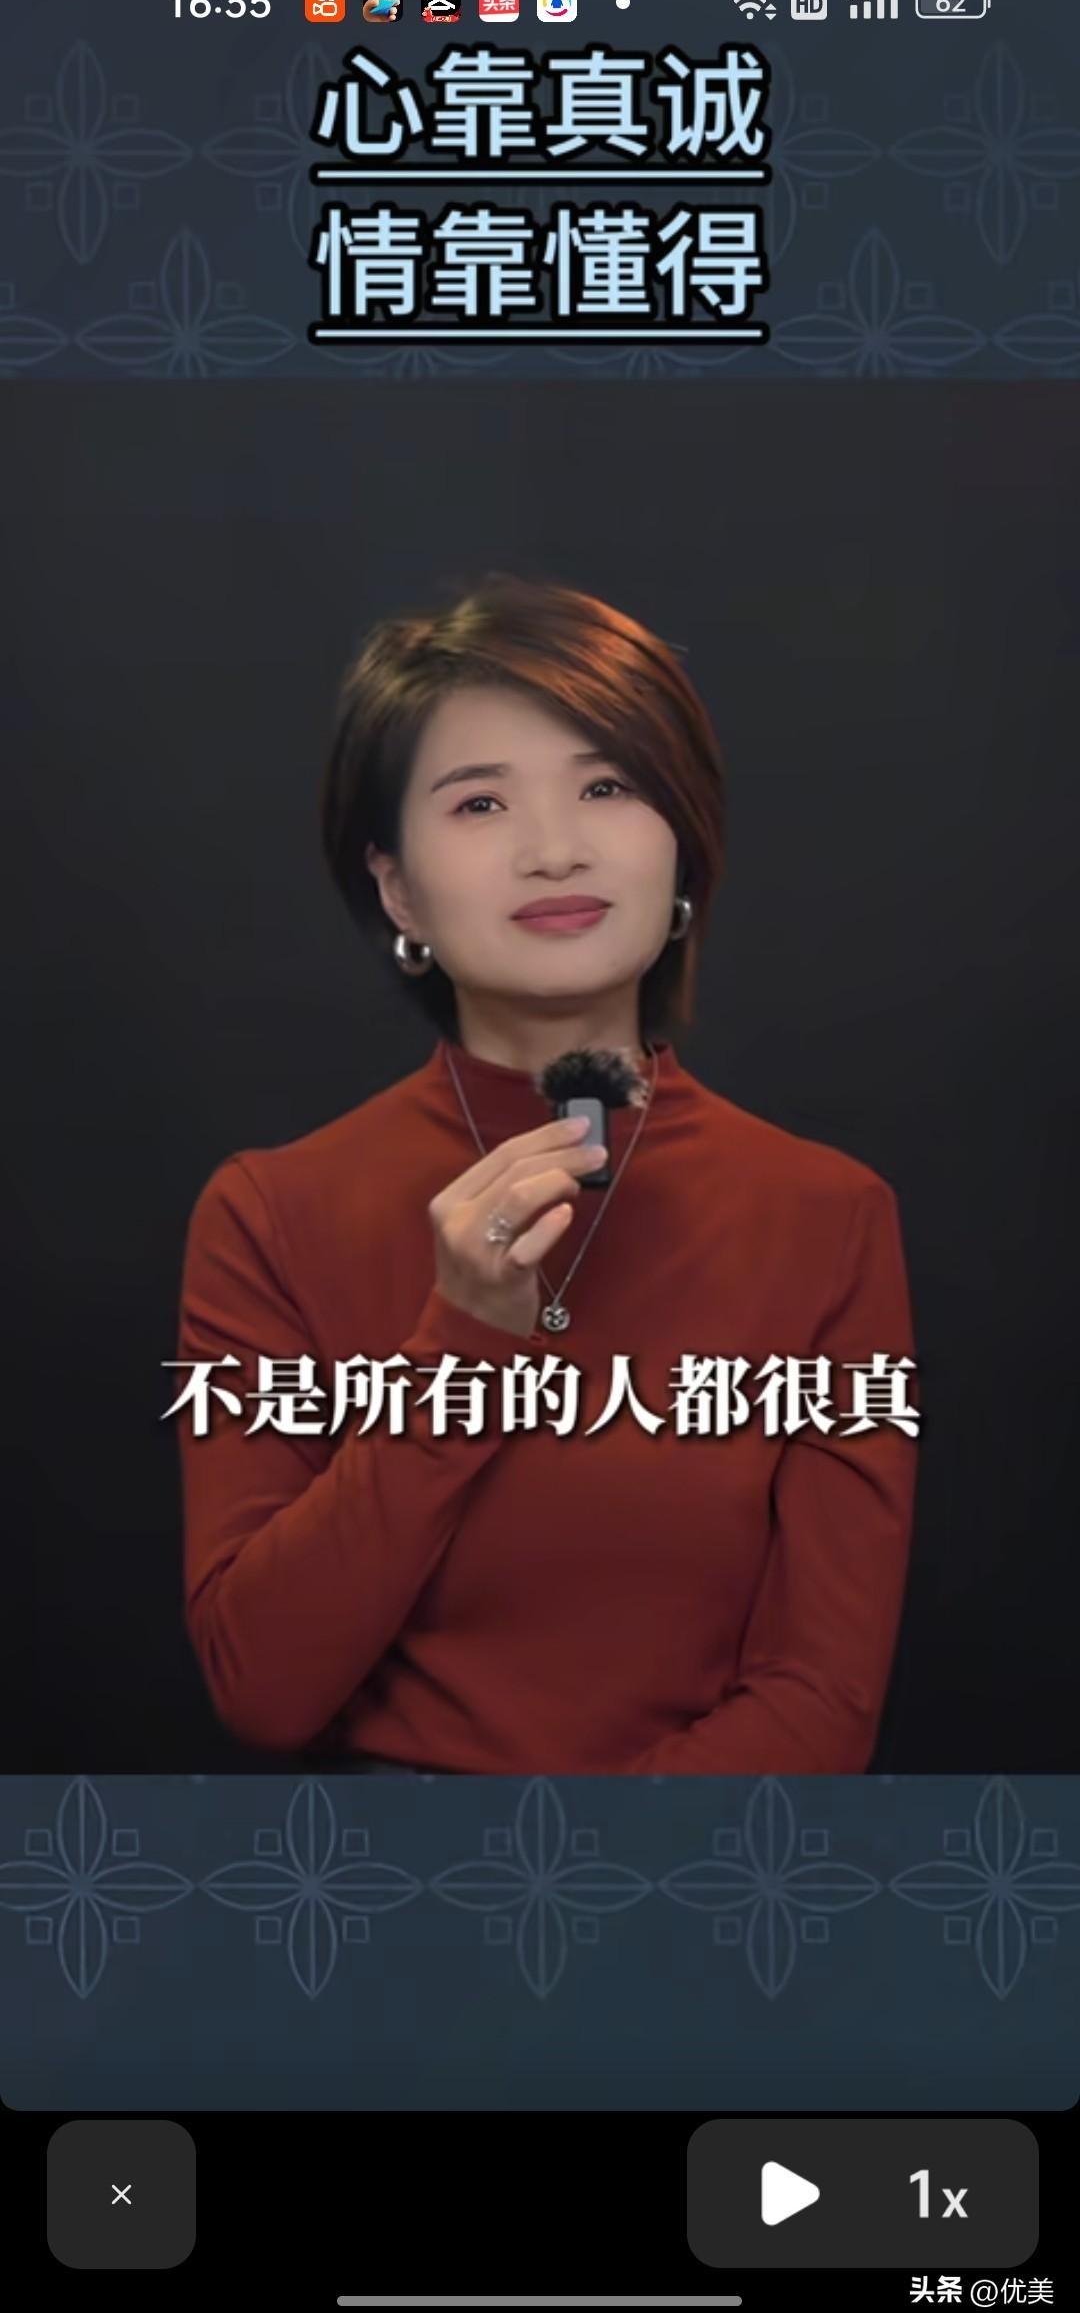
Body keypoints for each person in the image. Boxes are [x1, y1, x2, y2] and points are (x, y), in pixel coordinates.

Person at [174, 577, 918, 1773]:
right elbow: (263, 1686)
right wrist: (461, 1342)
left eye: (607, 787)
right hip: (382, 1872)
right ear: (397, 887)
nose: (556, 849)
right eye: (479, 802)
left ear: (682, 846)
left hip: (704, 1869)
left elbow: (823, 1697)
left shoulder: (828, 1215)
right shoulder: (270, 1214)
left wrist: (571, 1865)